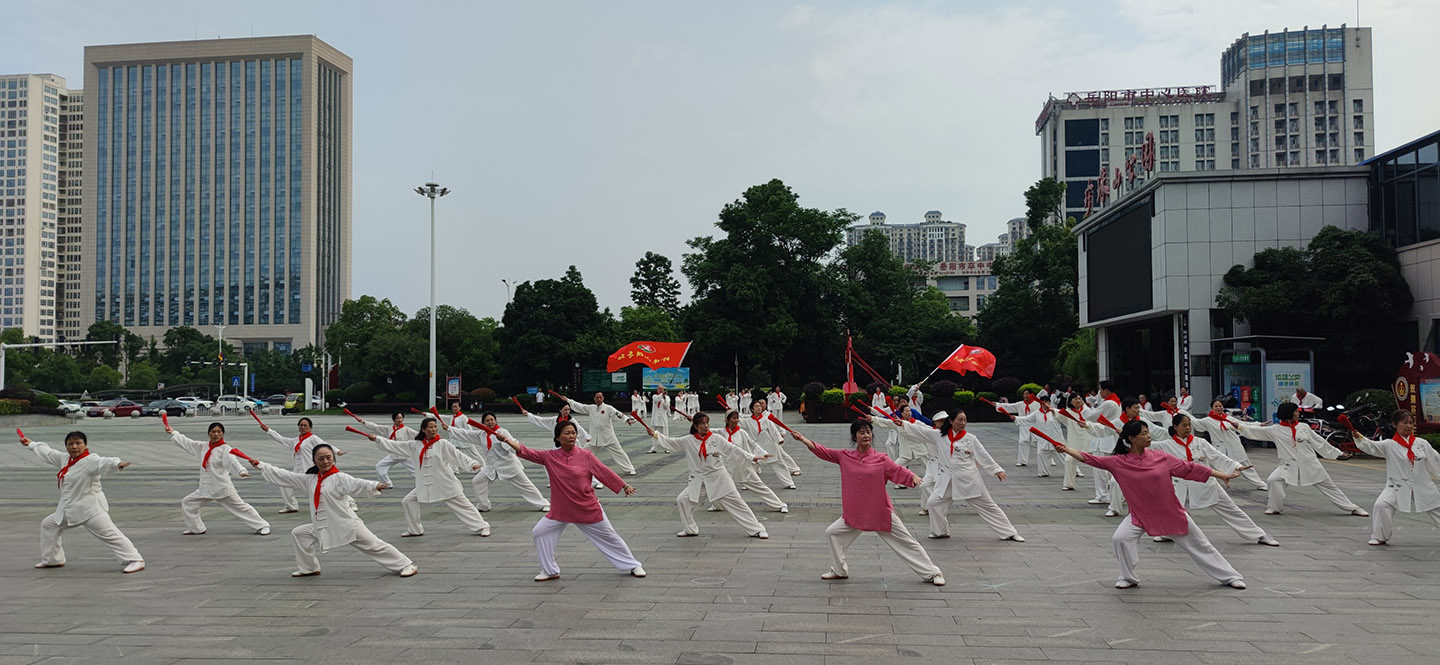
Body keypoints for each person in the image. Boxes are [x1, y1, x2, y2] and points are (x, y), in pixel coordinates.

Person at [1052, 420, 1248, 589]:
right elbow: (1090, 458)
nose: (1148, 436)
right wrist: (1066, 449)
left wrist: (1221, 474)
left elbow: (1190, 468)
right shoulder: (1118, 462)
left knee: (1202, 545)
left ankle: (1231, 576)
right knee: (1120, 538)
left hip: (1171, 513)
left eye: (1148, 432)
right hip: (1139, 516)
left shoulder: (1160, 457)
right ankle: (1127, 577)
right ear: (1131, 438)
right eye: (1143, 433)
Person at [787, 422, 945, 586]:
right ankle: (839, 570)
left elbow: (898, 470)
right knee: (833, 533)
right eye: (861, 433)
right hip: (855, 512)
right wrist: (802, 439)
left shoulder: (881, 459)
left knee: (907, 542)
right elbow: (823, 451)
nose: (866, 435)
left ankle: (933, 572)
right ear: (855, 436)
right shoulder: (845, 456)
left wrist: (912, 476)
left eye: (868, 432)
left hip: (879, 512)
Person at [491, 421, 645, 581]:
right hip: (561, 509)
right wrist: (508, 441)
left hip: (586, 508)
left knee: (609, 536)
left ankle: (633, 565)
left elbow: (603, 471)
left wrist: (623, 485)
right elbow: (527, 452)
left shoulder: (585, 455)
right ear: (558, 437)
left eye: (573, 432)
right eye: (567, 433)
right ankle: (550, 570)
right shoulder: (550, 457)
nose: (571, 436)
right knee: (540, 532)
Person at [249, 444, 417, 578]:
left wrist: (374, 485)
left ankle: (405, 564)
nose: (325, 461)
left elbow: (356, 483)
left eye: (328, 457)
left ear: (334, 459)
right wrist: (262, 466)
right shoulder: (310, 479)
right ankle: (309, 568)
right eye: (320, 458)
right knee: (299, 534)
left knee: (374, 545)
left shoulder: (339, 478)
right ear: (314, 461)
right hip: (322, 524)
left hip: (346, 523)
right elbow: (286, 476)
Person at [20, 431, 145, 573]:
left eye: (78, 443)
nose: (74, 447)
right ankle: (52, 560)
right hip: (69, 509)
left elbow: (103, 462)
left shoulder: (90, 460)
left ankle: (136, 559)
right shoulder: (64, 458)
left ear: (85, 445)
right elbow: (48, 453)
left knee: (111, 535)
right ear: (66, 446)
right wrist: (31, 444)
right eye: (70, 444)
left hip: (91, 509)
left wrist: (117, 464)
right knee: (49, 525)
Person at [1150, 414, 1279, 547]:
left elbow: (1218, 457)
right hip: (1179, 485)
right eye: (1184, 425)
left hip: (1206, 482)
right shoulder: (1166, 445)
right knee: (1172, 510)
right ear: (1175, 427)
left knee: (1231, 509)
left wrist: (1236, 466)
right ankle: (1167, 533)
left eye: (1189, 425)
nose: (1188, 428)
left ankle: (1259, 535)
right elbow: (1146, 448)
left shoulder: (1201, 443)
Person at [897, 410, 1023, 542]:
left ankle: (1010, 532)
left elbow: (983, 454)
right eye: (960, 420)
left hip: (968, 480)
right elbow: (920, 431)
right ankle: (940, 531)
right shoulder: (939, 435)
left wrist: (996, 470)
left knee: (988, 506)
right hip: (947, 480)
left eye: (965, 420)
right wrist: (904, 424)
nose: (963, 423)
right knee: (933, 503)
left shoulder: (970, 438)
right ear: (951, 421)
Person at [642, 412, 771, 539]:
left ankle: (758, 529)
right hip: (699, 480)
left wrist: (752, 457)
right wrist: (655, 435)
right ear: (695, 426)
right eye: (702, 423)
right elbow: (671, 442)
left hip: (719, 479)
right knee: (682, 500)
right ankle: (690, 529)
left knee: (738, 504)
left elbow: (733, 450)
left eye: (707, 423)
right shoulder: (688, 440)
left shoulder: (716, 438)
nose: (706, 426)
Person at [359, 417, 492, 537]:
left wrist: (472, 463)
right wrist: (378, 439)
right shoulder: (415, 445)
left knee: (464, 506)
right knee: (408, 501)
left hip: (444, 482)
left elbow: (458, 456)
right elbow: (396, 446)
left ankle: (482, 526)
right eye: (431, 427)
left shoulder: (443, 444)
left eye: (435, 427)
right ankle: (415, 529)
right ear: (423, 429)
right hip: (425, 483)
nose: (434, 429)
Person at [1233, 403, 1368, 517]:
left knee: (1330, 487)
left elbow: (1319, 441)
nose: (1298, 413)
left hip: (1310, 464)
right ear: (1288, 414)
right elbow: (1255, 432)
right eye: (1295, 411)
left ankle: (1353, 508)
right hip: (1287, 465)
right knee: (1273, 480)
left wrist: (1338, 454)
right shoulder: (1275, 430)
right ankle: (1275, 507)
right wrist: (1239, 427)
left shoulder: (1303, 427)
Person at [1344, 410, 1440, 545]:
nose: (1408, 426)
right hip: (1397, 485)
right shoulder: (1389, 444)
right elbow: (1371, 446)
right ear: (1395, 424)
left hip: (1422, 484)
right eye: (1404, 423)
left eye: (1411, 423)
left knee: (1437, 508)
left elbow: (1436, 460)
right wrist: (1359, 437)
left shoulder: (1421, 443)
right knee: (1381, 505)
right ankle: (1380, 536)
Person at [166, 421, 271, 536]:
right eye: (213, 432)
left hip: (222, 486)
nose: (216, 434)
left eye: (219, 432)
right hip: (206, 487)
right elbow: (188, 443)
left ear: (223, 434)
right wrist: (173, 432)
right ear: (208, 434)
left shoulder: (225, 448)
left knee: (242, 507)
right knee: (188, 502)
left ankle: (262, 525)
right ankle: (196, 528)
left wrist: (241, 471)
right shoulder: (204, 446)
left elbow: (232, 461)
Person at [442, 412, 550, 513]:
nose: (490, 422)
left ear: (496, 421)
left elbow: (514, 445)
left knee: (526, 486)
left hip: (509, 465)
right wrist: (450, 429)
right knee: (478, 481)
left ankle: (543, 504)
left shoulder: (502, 432)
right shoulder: (482, 434)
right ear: (483, 423)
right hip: (492, 467)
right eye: (487, 421)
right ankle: (483, 505)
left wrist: (504, 440)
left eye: (492, 420)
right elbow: (467, 434)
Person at [258, 416, 345, 514]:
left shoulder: (313, 438)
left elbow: (324, 445)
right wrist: (269, 430)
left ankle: (349, 502)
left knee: (326, 489)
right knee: (284, 484)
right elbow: (282, 439)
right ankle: (291, 506)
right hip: (297, 471)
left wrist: (337, 451)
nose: (302, 427)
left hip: (309, 471)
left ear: (310, 428)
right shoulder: (295, 440)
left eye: (305, 425)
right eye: (301, 425)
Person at [707, 410, 788, 513]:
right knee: (716, 485)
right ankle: (717, 505)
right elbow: (707, 431)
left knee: (759, 486)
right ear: (727, 420)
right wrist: (694, 421)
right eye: (733, 418)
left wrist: (762, 453)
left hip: (742, 464)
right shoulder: (721, 432)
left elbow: (752, 444)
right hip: (726, 465)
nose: (736, 420)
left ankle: (780, 504)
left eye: (737, 418)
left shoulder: (741, 433)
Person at [1190, 400, 1268, 491]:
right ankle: (1206, 487)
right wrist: (1179, 412)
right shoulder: (1207, 421)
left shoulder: (1229, 418)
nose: (1219, 408)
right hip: (1219, 448)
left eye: (1220, 406)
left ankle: (1260, 484)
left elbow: (1244, 424)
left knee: (1245, 465)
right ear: (1212, 408)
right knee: (1214, 467)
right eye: (1216, 406)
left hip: (1234, 445)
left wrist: (1258, 424)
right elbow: (1194, 422)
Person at [563, 392, 637, 475]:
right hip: (594, 437)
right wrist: (569, 401)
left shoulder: (608, 408)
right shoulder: (591, 408)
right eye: (597, 398)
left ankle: (629, 469)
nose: (599, 399)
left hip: (608, 436)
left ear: (603, 398)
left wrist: (627, 420)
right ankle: (576, 468)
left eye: (600, 397)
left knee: (619, 452)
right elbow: (580, 406)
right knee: (583, 453)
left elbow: (618, 414)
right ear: (594, 399)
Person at [350, 412, 417, 488]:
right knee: (380, 466)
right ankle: (387, 484)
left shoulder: (407, 430)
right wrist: (363, 422)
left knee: (416, 470)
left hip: (405, 455)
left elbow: (418, 435)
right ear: (393, 419)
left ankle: (423, 482)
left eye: (401, 418)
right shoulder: (389, 428)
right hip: (393, 454)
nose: (399, 420)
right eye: (397, 418)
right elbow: (376, 427)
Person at [745, 399, 798, 489]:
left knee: (779, 464)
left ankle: (789, 483)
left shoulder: (766, 420)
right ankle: (748, 484)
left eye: (760, 406)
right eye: (756, 406)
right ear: (752, 409)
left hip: (770, 446)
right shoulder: (748, 421)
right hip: (757, 447)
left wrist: (779, 439)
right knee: (752, 465)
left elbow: (774, 431)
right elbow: (738, 419)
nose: (759, 408)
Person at [1009, 402, 1065, 478]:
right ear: (1041, 404)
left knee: (1064, 456)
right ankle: (1043, 472)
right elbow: (1027, 419)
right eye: (1043, 404)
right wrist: (1016, 418)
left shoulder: (1055, 412)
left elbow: (1065, 416)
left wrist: (1053, 410)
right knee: (1041, 454)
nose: (1045, 405)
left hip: (1056, 438)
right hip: (1044, 439)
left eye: (1047, 403)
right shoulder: (1037, 413)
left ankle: (1075, 471)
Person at [992, 389, 1045, 467]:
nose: (1025, 396)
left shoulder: (1037, 404)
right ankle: (1022, 461)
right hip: (1024, 425)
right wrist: (997, 405)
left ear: (1031, 395)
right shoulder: (1020, 404)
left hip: (1036, 425)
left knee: (1041, 442)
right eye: (1024, 394)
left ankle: (1049, 459)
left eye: (1027, 394)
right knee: (1023, 442)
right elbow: (1010, 406)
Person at [647, 387, 671, 453]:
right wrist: (661, 395)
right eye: (660, 389)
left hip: (663, 418)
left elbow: (666, 406)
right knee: (654, 433)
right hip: (656, 418)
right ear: (657, 390)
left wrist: (664, 398)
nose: (661, 391)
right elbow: (657, 400)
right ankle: (654, 448)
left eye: (662, 390)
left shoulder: (667, 397)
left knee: (665, 434)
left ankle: (666, 448)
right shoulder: (654, 396)